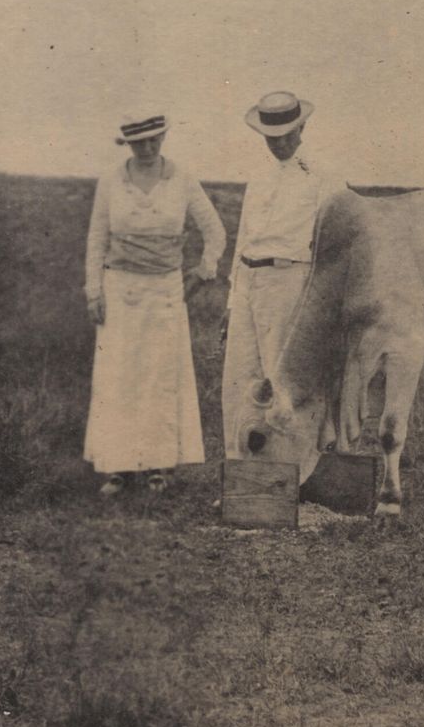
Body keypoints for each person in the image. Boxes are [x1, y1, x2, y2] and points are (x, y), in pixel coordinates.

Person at [83, 113, 226, 496]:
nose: (147, 148)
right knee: (119, 377)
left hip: (165, 290)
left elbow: (215, 231)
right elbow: (97, 238)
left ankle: (158, 467)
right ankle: (117, 467)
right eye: (138, 142)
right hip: (120, 289)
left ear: (163, 136)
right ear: (127, 143)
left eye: (154, 140)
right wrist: (94, 292)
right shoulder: (111, 181)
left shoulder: (181, 178)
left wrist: (203, 272)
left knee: (159, 377)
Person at [222, 92, 350, 480]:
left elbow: (336, 245)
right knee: (240, 381)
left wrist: (320, 304)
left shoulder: (324, 176)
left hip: (291, 281)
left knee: (284, 387)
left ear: (301, 128)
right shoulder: (258, 177)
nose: (277, 143)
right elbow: (243, 241)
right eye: (270, 137)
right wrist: (232, 301)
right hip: (249, 281)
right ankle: (241, 478)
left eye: (284, 135)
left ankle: (289, 479)